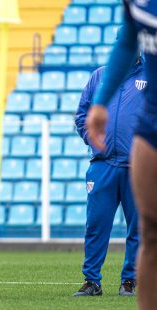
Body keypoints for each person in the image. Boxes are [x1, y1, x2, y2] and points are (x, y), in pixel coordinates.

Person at [86, 1, 157, 308]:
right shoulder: (140, 4)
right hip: (148, 128)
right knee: (149, 232)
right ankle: (95, 281)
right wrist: (100, 103)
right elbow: (130, 37)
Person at [74, 55, 145, 297]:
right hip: (103, 165)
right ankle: (92, 281)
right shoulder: (99, 76)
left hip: (138, 167)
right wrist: (91, 139)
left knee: (137, 228)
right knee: (96, 225)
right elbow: (81, 114)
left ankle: (130, 281)